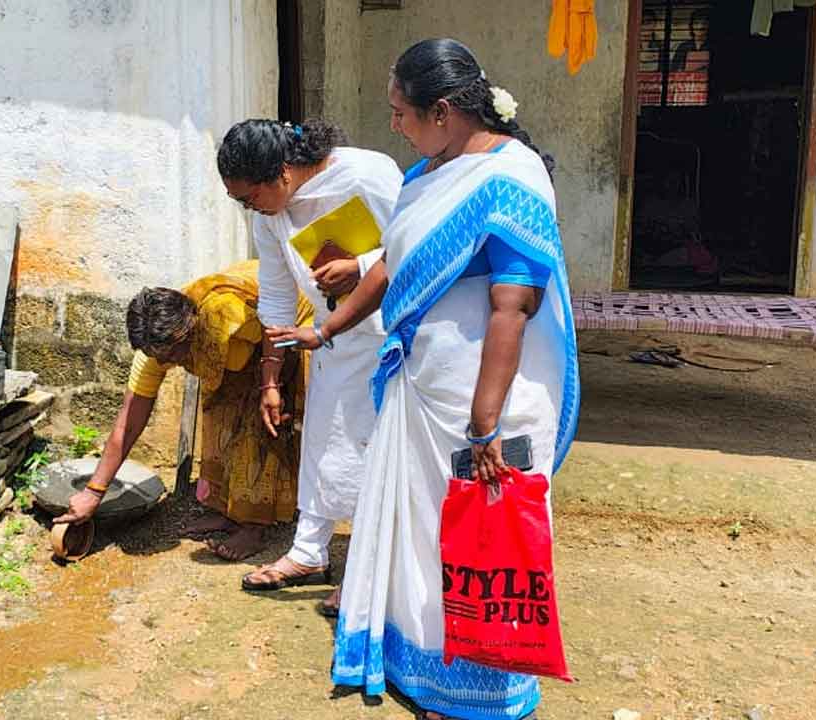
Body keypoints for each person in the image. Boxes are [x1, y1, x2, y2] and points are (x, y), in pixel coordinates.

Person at [269, 39, 579, 719]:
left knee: (478, 538)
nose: (396, 126)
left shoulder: (511, 177)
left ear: (442, 111)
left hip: (483, 397)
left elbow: (513, 304)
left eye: (401, 112)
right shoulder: (425, 175)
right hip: (422, 385)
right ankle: (422, 666)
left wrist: (486, 421)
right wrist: (326, 330)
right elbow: (387, 268)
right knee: (422, 531)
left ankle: (479, 692)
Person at [218, 120, 400, 615]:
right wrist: (271, 380)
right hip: (329, 342)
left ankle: (367, 569)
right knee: (323, 448)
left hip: (391, 341)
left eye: (251, 197)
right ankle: (308, 553)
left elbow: (417, 245)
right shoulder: (270, 215)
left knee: (371, 456)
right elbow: (277, 297)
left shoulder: (366, 176)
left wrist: (360, 268)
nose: (249, 208)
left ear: (282, 173)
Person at [52, 261, 313, 558]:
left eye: (173, 355)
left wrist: (273, 385)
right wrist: (93, 491)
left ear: (190, 332)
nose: (166, 364)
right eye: (158, 357)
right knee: (218, 418)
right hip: (245, 340)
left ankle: (254, 525)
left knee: (260, 422)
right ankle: (227, 511)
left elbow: (275, 326)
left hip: (283, 330)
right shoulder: (155, 350)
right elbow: (127, 423)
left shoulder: (225, 315)